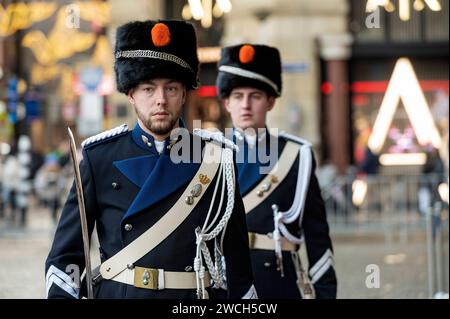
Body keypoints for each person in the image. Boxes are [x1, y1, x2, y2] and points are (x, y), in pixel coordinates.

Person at [45, 20, 255, 299]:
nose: (160, 100)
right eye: (148, 89)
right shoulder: (99, 159)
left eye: (170, 88)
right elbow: (66, 256)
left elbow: (238, 264)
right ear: (130, 93)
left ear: (183, 94)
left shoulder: (216, 159)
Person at [216, 44, 337, 298]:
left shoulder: (296, 155)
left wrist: (324, 293)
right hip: (225, 287)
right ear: (227, 102)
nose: (246, 105)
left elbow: (317, 237)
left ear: (270, 101)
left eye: (255, 96)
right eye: (238, 96)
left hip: (279, 284)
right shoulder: (207, 156)